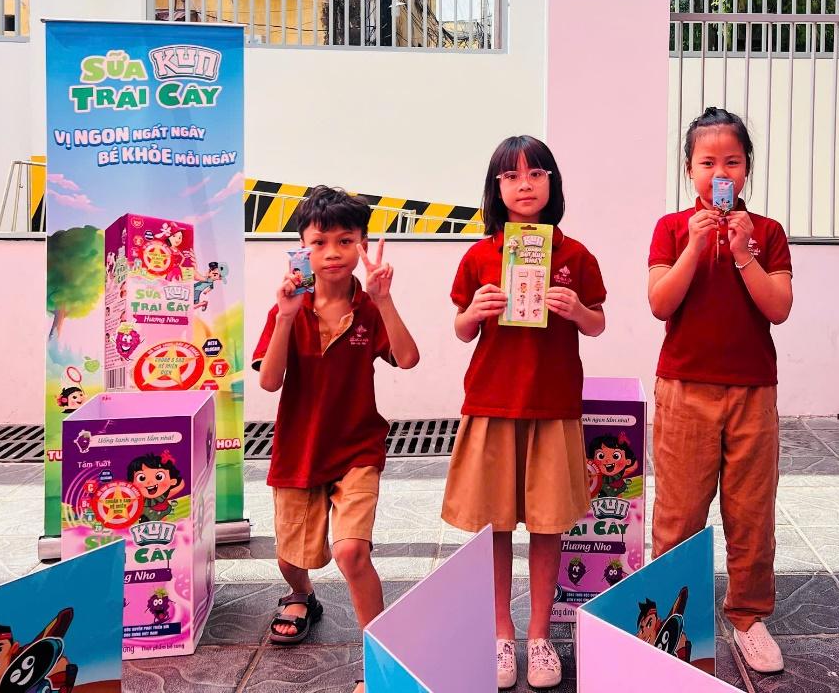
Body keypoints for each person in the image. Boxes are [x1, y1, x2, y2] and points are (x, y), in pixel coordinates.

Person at [441, 136, 607, 689]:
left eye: (537, 174)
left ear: (553, 183)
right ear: (497, 189)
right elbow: (462, 329)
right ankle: (499, 633)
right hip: (491, 401)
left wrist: (577, 309)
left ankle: (539, 636)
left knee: (547, 521)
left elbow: (598, 322)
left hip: (554, 405)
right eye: (512, 177)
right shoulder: (480, 253)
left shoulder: (575, 254)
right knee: (495, 524)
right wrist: (475, 311)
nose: (526, 185)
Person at [252, 187, 419, 693]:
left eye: (345, 241)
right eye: (320, 241)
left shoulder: (369, 309)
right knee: (291, 557)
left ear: (362, 246)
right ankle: (300, 594)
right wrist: (284, 316)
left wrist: (386, 301)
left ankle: (382, 666)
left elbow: (408, 359)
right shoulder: (288, 308)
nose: (332, 253)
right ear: (302, 247)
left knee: (350, 553)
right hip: (300, 450)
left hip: (357, 449)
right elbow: (269, 381)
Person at [647, 107, 793, 675]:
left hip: (753, 390)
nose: (719, 171)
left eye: (731, 160)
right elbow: (660, 302)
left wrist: (742, 253)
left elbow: (777, 307)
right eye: (707, 162)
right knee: (679, 511)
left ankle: (749, 618)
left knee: (751, 510)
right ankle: (668, 618)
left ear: (747, 168)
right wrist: (693, 245)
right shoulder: (670, 226)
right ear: (689, 169)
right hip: (684, 387)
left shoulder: (768, 232)